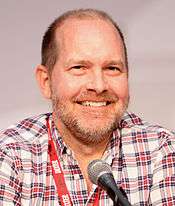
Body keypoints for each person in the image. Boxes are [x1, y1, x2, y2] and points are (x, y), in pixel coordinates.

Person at [0, 8, 174, 206]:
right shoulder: (9, 156)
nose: (99, 86)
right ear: (46, 82)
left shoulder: (162, 151)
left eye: (112, 68)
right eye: (79, 68)